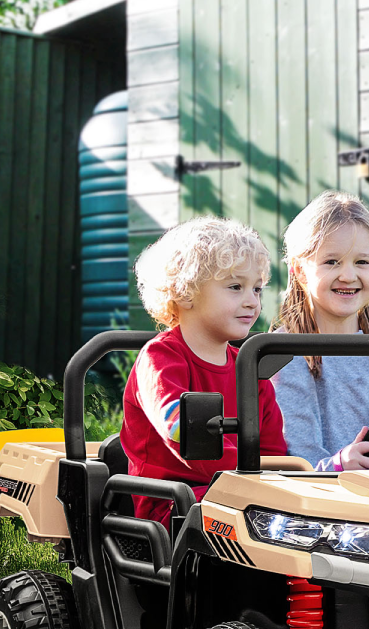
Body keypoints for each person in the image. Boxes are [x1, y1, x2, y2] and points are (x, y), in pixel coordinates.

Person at [121, 216, 287, 525]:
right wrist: (250, 472)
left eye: (258, 289)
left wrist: (274, 475)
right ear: (185, 292)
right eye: (236, 287)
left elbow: (274, 450)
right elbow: (182, 436)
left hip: (242, 494)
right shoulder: (161, 358)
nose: (252, 301)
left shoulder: (249, 370)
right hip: (175, 506)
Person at [270, 191, 369, 472]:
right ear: (300, 271)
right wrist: (340, 465)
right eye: (332, 262)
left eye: (362, 262)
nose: (348, 276)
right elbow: (299, 461)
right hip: (326, 507)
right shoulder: (286, 355)